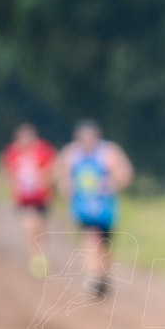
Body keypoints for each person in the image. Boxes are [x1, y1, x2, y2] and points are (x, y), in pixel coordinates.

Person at [56, 119, 133, 297]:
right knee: (90, 237)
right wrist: (66, 186)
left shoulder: (109, 152)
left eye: (91, 137)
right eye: (83, 137)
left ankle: (103, 275)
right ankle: (92, 276)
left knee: (105, 245)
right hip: (82, 208)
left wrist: (112, 183)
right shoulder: (71, 153)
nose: (87, 141)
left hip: (105, 209)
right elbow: (60, 175)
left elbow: (125, 174)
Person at [2, 122, 56, 277]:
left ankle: (41, 253)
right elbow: (8, 173)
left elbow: (51, 171)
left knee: (40, 229)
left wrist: (47, 187)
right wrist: (12, 192)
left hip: (41, 198)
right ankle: (35, 258)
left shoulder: (43, 150)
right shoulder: (12, 152)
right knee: (28, 227)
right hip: (24, 200)